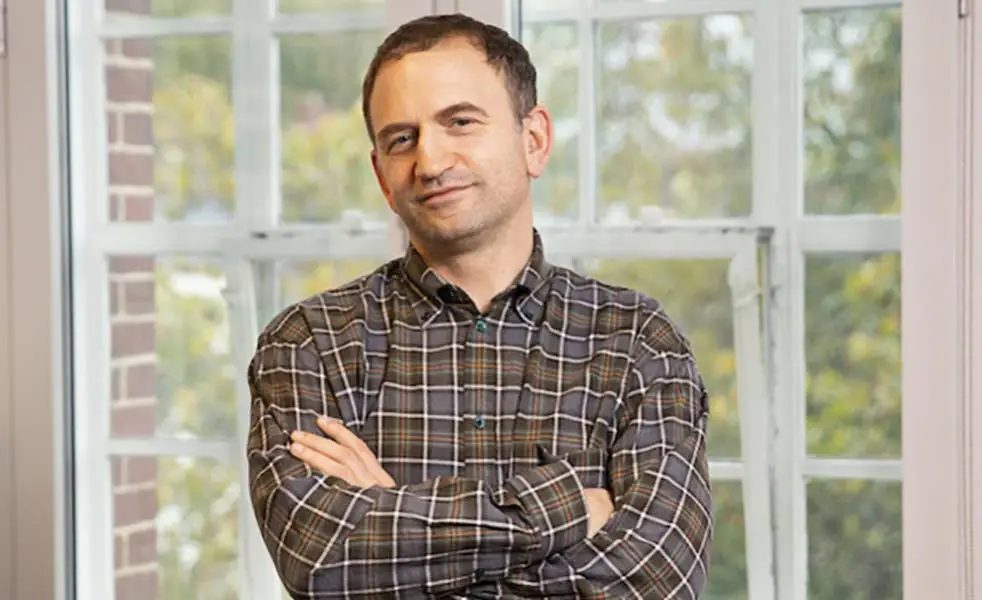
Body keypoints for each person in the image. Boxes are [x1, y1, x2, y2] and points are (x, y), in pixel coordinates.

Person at [247, 13, 713, 599]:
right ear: (382, 176)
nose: (430, 161)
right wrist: (569, 507)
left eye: (460, 122)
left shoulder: (637, 343)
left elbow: (658, 577)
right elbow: (319, 561)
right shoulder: (310, 343)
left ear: (533, 140)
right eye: (401, 139)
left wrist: (391, 515)